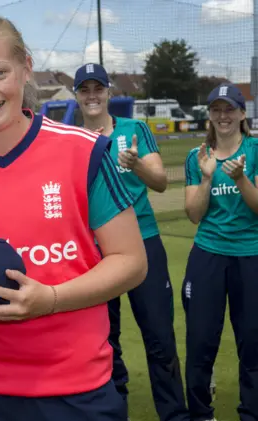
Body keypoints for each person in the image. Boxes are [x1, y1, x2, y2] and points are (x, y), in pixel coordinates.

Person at [0, 14, 148, 421]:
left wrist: (50, 300)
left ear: (26, 67)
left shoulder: (84, 152)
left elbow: (131, 261)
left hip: (77, 389)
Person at [74, 63, 189, 421]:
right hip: (96, 250)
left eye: (98, 88)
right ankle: (114, 410)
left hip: (144, 242)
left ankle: (174, 415)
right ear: (77, 96)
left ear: (108, 92)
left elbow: (159, 182)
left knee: (159, 336)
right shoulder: (72, 140)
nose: (92, 95)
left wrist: (137, 164)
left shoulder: (134, 129)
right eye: (85, 89)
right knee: (106, 341)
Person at [183, 83, 258, 421]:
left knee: (253, 343)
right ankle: (201, 414)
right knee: (200, 341)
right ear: (209, 116)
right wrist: (205, 178)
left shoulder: (255, 151)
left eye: (230, 109)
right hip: (208, 253)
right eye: (217, 110)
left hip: (250, 254)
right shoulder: (197, 157)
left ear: (242, 114)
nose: (223, 116)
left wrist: (242, 179)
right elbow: (194, 214)